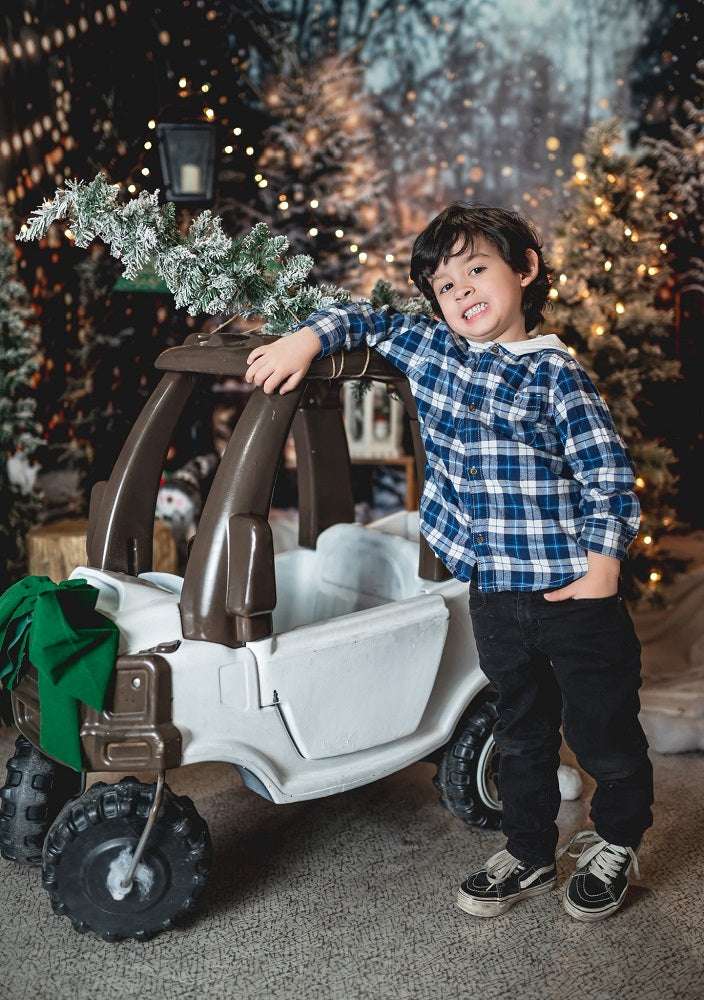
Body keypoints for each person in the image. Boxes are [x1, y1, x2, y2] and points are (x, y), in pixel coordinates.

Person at [245, 202, 653, 922]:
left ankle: (616, 839)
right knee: (521, 729)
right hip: (496, 593)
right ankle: (529, 851)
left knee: (602, 729)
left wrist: (602, 569)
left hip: (575, 593)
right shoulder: (434, 354)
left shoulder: (556, 375)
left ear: (524, 270)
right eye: (443, 284)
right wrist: (307, 340)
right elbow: (365, 317)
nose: (461, 291)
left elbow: (607, 476)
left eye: (477, 269)